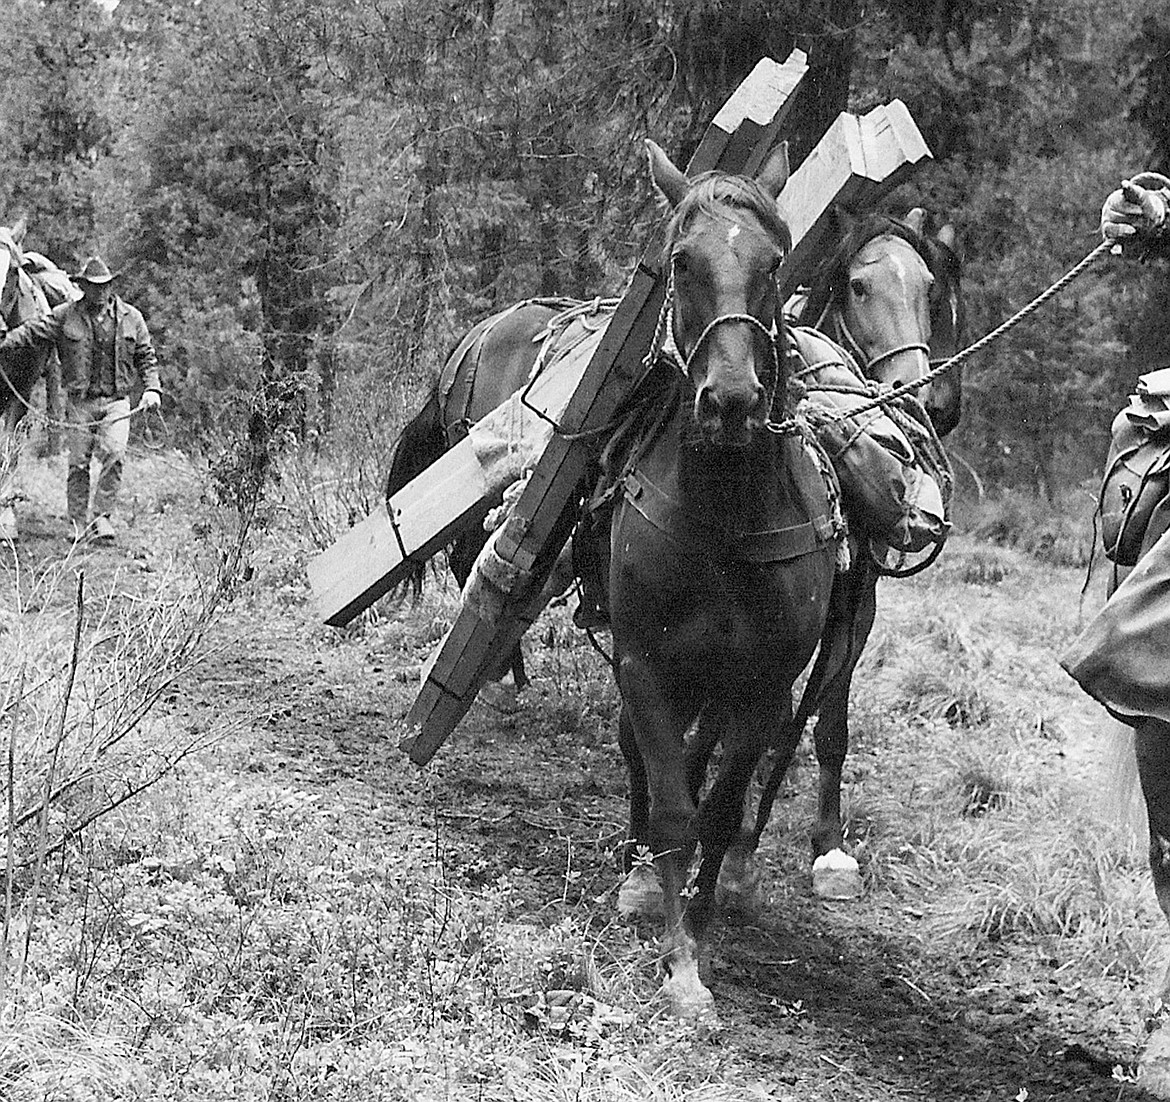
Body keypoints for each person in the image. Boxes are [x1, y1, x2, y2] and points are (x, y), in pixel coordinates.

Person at [0, 255, 161, 544]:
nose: (99, 292)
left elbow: (146, 357)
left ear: (111, 286)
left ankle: (101, 518)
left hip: (116, 402)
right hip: (80, 403)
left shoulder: (132, 318)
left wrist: (152, 389)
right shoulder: (64, 316)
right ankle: (76, 522)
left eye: (103, 286)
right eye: (92, 286)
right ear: (83, 287)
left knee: (114, 454)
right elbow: (33, 331)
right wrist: (5, 341)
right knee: (78, 464)